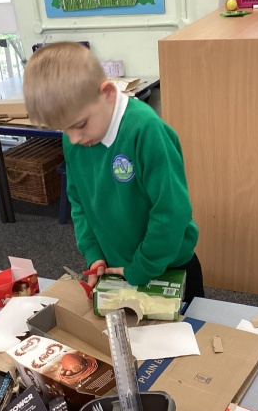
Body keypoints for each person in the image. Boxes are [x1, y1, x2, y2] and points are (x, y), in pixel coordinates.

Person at [23, 41, 204, 303]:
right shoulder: (76, 139)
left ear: (107, 93)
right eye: (64, 129)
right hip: (116, 270)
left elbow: (171, 211)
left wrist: (142, 267)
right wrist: (94, 254)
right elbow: (79, 203)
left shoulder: (147, 131)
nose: (73, 139)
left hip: (170, 268)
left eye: (80, 124)